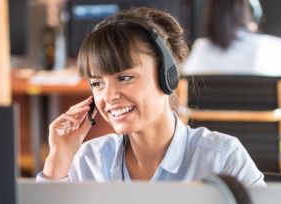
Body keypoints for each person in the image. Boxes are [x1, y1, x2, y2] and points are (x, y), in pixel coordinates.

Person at [37, 7, 265, 185]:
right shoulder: (89, 160)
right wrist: (60, 155)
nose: (109, 95)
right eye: (97, 83)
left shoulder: (221, 157)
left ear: (167, 75)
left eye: (125, 77)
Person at [183, 0, 281, 76]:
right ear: (252, 14)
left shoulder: (201, 48)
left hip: (211, 106)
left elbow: (184, 86)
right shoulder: (270, 47)